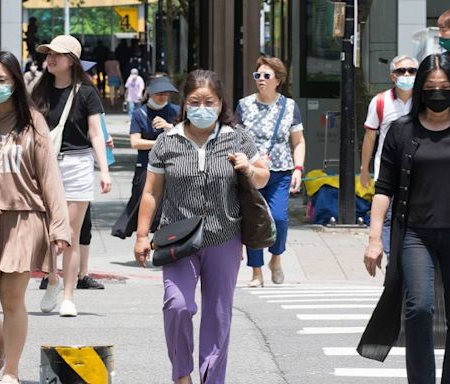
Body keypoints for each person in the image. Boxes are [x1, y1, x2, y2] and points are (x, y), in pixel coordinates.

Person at [134, 69, 269, 384]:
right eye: (195, 101)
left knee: (218, 316)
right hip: (177, 238)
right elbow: (151, 192)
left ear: (221, 104)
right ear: (185, 104)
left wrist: (248, 167)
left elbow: (263, 176)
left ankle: (212, 378)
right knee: (177, 305)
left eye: (209, 102)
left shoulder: (238, 137)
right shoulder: (168, 141)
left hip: (224, 235)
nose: (202, 107)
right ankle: (182, 374)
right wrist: (142, 236)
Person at [359, 54, 450, 384]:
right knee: (419, 309)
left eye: (445, 87)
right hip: (415, 234)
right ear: (421, 88)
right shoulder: (400, 132)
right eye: (431, 87)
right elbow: (384, 189)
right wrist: (374, 239)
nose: (438, 93)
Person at [0, 51, 70, 384]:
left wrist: (60, 226)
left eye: (2, 80)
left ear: (16, 83)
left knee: (12, 298)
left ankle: (12, 370)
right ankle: (1, 340)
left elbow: (49, 175)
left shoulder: (33, 121)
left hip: (24, 218)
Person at [32, 35, 112, 317]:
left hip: (78, 164)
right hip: (46, 166)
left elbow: (95, 134)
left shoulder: (87, 92)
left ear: (72, 61)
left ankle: (68, 296)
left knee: (71, 235)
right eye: (49, 53)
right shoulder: (38, 90)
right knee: (49, 230)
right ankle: (52, 278)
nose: (51, 58)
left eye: (58, 54)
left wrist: (103, 169)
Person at [235, 56, 305, 288]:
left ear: (278, 80)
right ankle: (256, 272)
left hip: (281, 171)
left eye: (267, 76)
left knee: (278, 217)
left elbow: (298, 141)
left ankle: (276, 258)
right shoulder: (244, 105)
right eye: (258, 76)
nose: (261, 80)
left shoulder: (289, 107)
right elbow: (236, 138)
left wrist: (298, 168)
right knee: (255, 220)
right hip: (252, 171)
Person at [360, 55, 418, 260]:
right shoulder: (380, 101)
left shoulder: (424, 101)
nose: (407, 75)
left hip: (417, 169)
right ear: (393, 76)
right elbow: (370, 137)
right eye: (401, 71)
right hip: (387, 170)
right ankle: (393, 257)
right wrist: (364, 169)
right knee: (387, 215)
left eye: (412, 71)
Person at [111, 74, 179, 239]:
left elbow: (187, 135)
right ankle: (143, 236)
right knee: (143, 203)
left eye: (166, 94)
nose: (162, 97)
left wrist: (170, 128)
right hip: (146, 165)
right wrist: (160, 142)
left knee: (168, 207)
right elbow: (135, 142)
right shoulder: (140, 114)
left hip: (173, 165)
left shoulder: (176, 111)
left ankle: (163, 241)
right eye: (158, 93)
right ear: (149, 93)